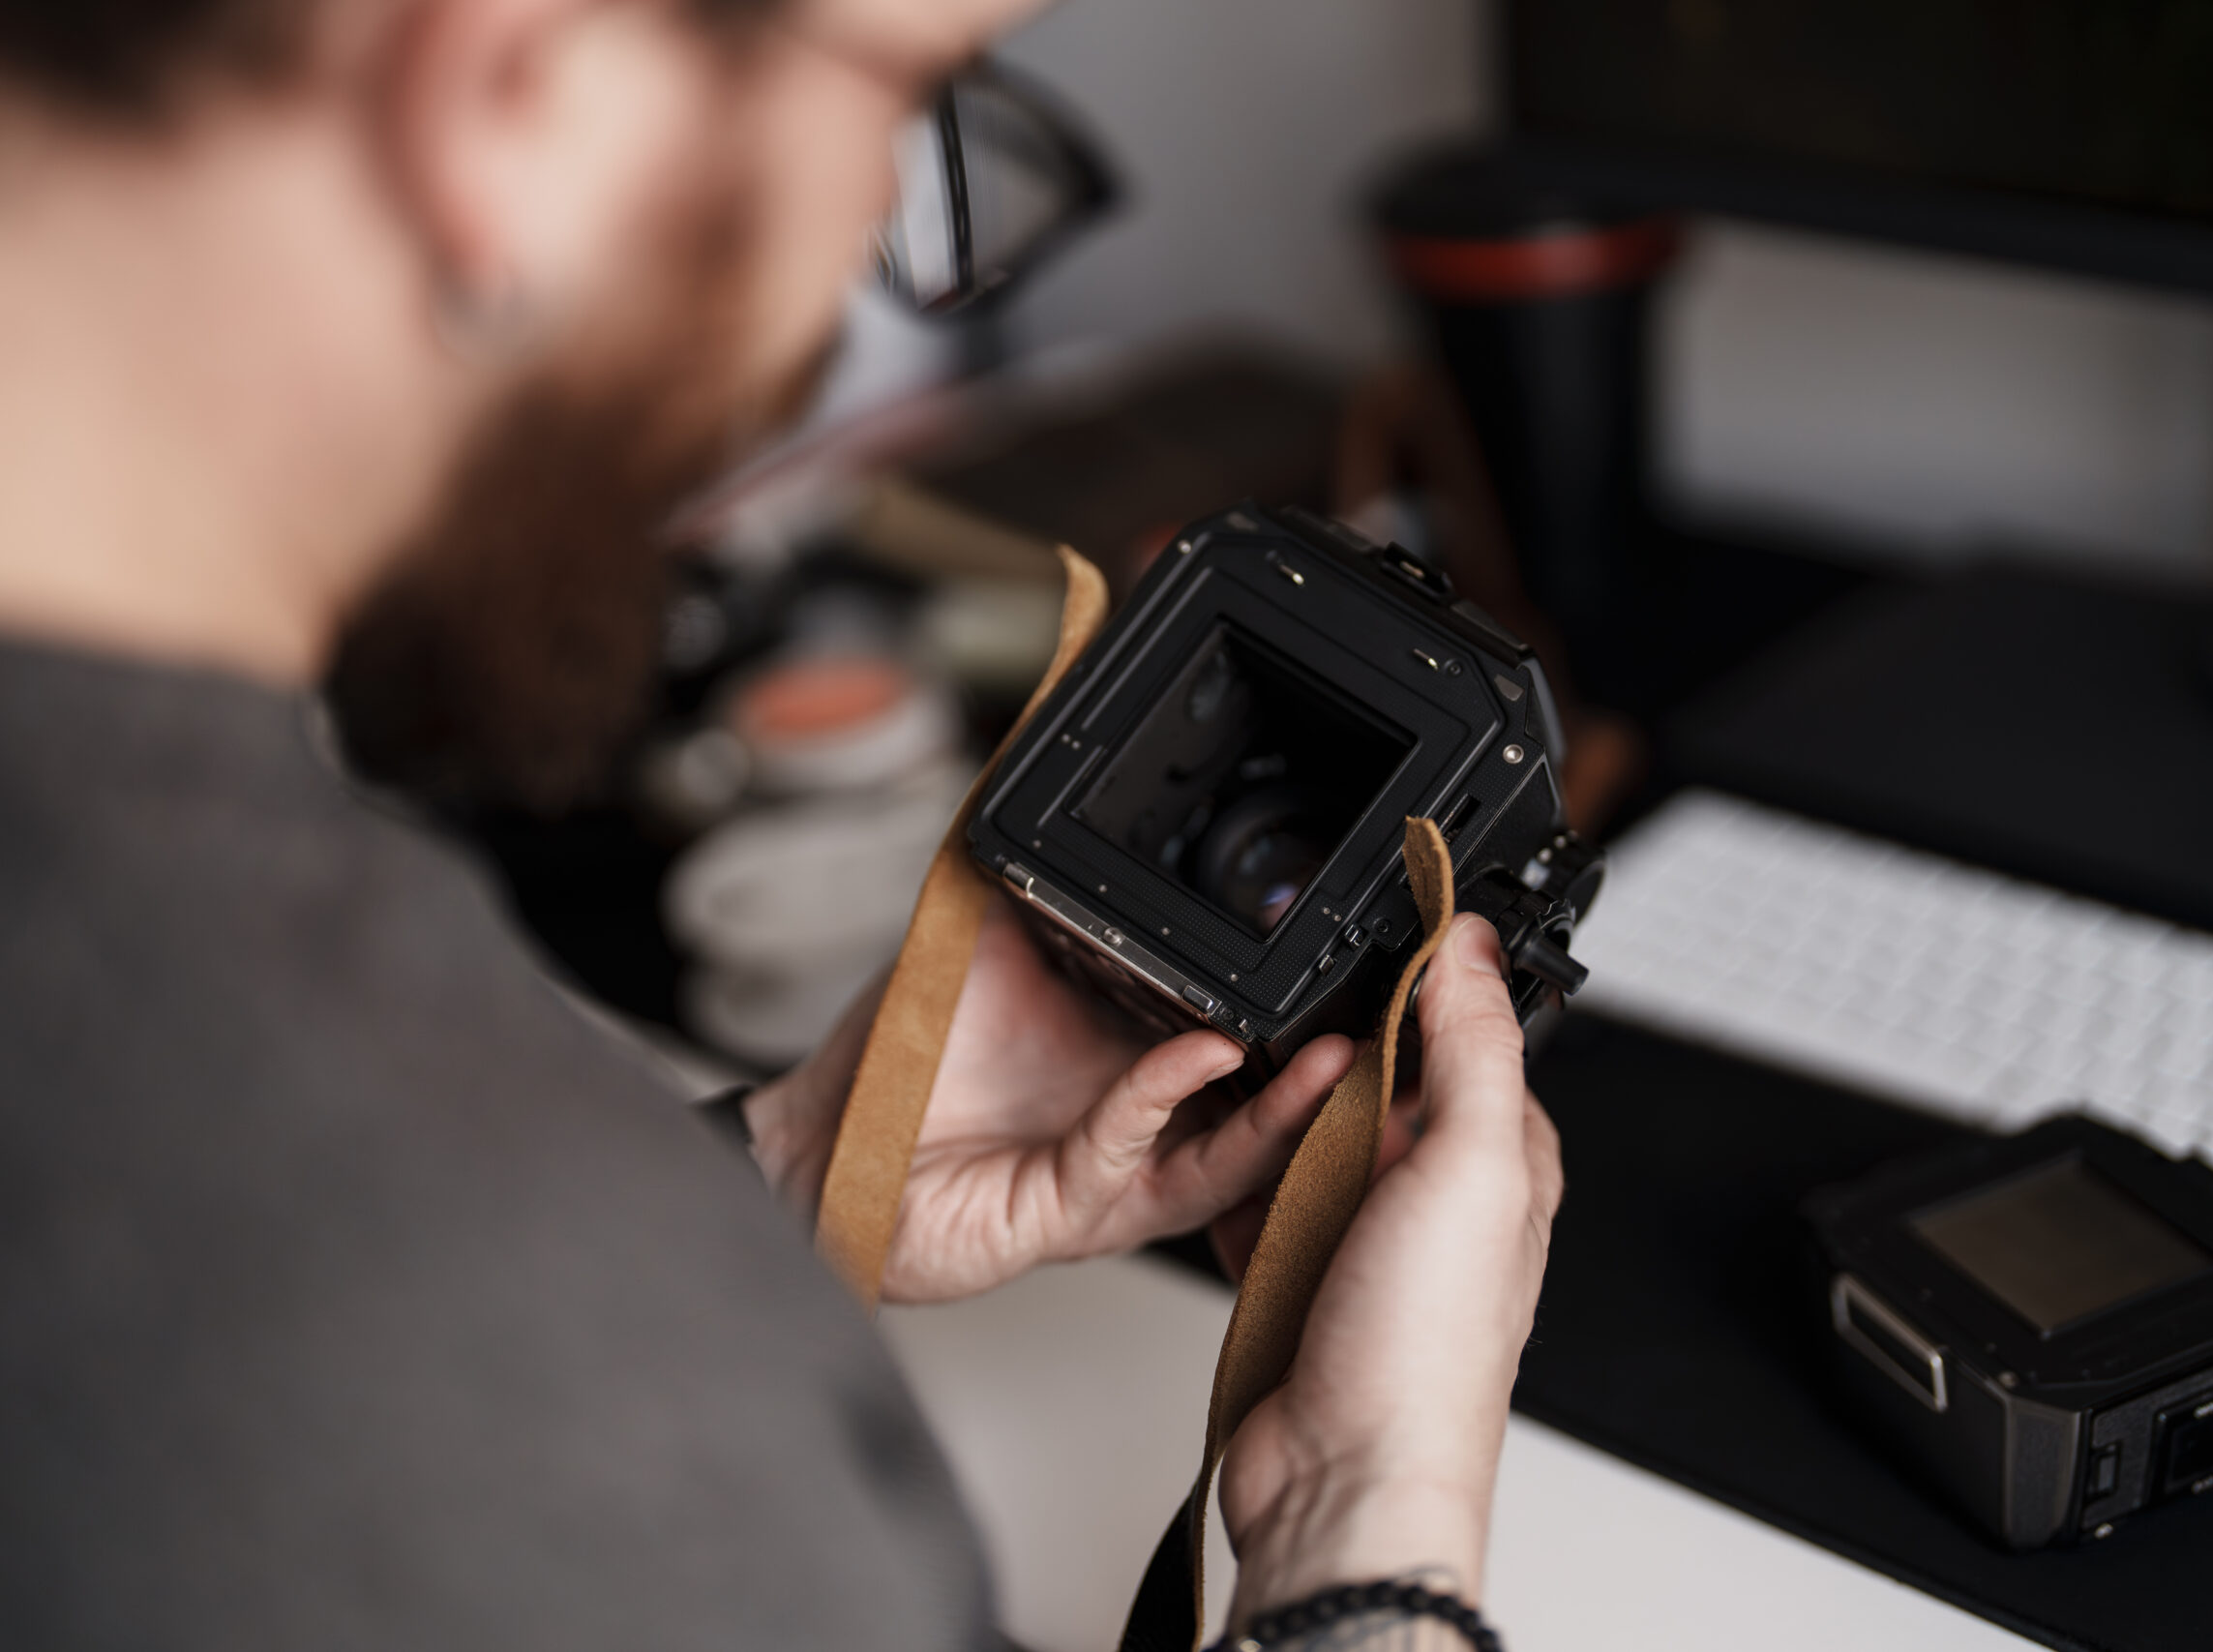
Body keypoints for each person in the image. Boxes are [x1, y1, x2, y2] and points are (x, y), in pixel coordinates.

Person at [0, 2, 1564, 1648]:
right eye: (913, 114)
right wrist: (1364, 1529)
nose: (844, 296)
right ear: (513, 86)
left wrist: (783, 1173)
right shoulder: (457, 1322)